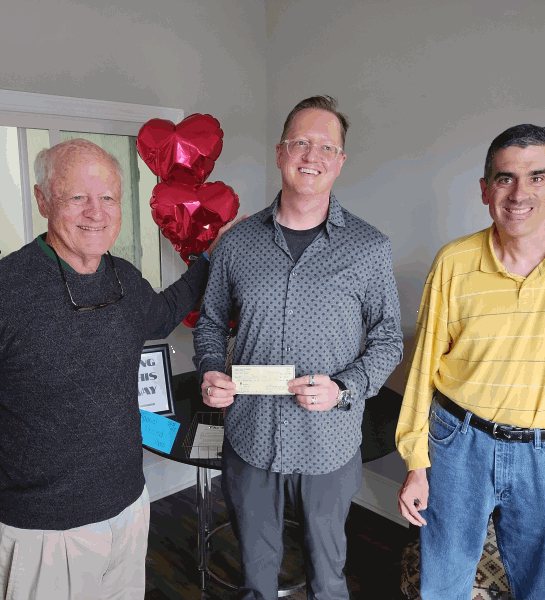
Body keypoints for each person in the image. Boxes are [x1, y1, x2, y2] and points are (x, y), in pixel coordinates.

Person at [0, 138, 239, 599]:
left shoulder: (123, 277)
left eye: (108, 197)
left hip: (128, 505)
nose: (96, 212)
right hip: (44, 532)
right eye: (77, 197)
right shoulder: (0, 294)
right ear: (42, 200)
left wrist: (211, 257)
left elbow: (163, 312)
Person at [395, 124, 545, 599]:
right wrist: (416, 462)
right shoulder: (454, 262)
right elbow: (423, 370)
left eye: (536, 177)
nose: (519, 193)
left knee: (543, 589)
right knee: (442, 583)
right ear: (485, 189)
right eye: (505, 178)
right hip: (458, 440)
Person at [194, 96, 403, 600]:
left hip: (328, 444)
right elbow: (208, 323)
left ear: (341, 162)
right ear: (281, 151)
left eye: (326, 146)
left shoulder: (369, 248)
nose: (313, 155)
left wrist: (344, 388)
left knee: (328, 580)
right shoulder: (237, 243)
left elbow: (388, 338)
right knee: (257, 578)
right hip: (249, 439)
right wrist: (208, 369)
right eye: (301, 143)